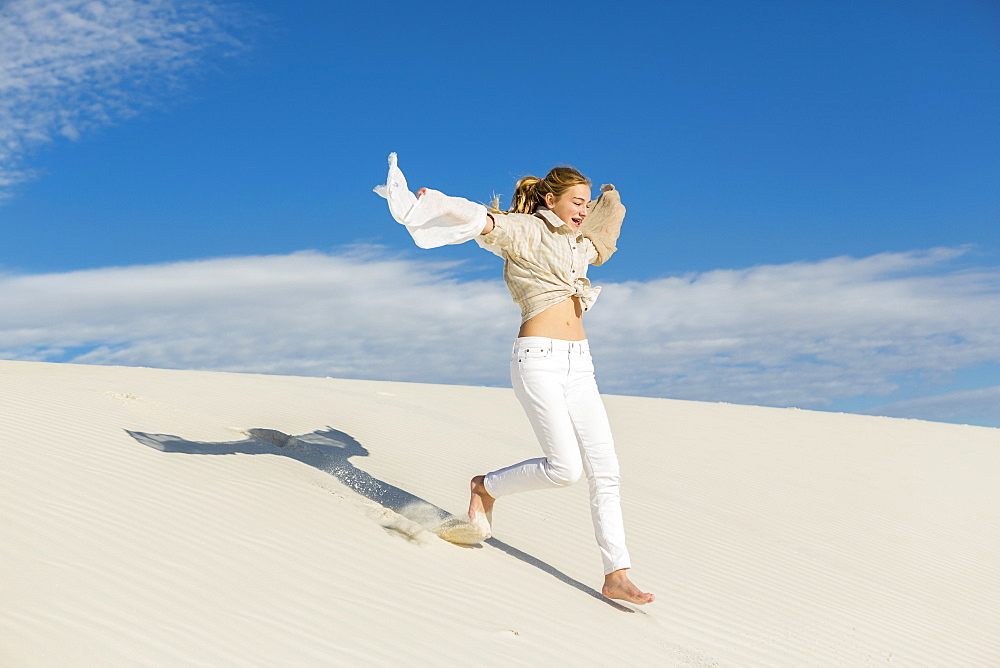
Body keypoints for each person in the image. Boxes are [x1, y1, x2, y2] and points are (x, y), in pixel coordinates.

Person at [375, 154, 654, 605]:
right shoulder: (527, 231)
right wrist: (436, 202)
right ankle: (485, 487)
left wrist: (609, 201)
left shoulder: (579, 244)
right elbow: (482, 219)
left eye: (586, 202)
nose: (583, 210)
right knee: (565, 469)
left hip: (581, 365)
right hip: (537, 361)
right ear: (550, 199)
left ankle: (616, 572)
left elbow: (605, 233)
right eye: (576, 201)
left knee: (607, 472)